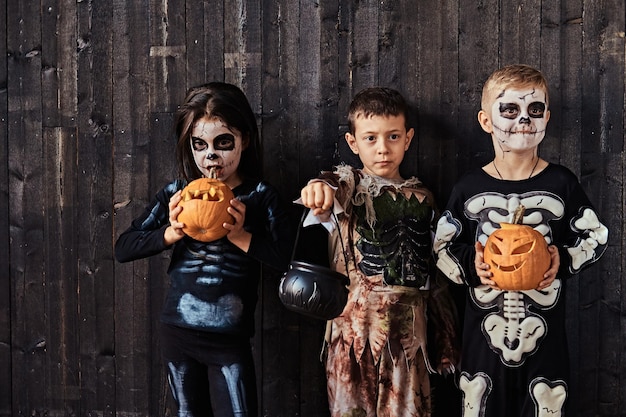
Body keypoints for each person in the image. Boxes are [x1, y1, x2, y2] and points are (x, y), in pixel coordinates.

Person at [433, 64, 609, 417]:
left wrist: (564, 259)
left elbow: (597, 235)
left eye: (535, 110)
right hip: (483, 336)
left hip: (545, 337)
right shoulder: (469, 188)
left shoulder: (561, 183)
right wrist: (472, 263)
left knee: (547, 405)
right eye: (510, 110)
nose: (524, 120)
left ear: (547, 118)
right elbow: (441, 246)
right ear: (486, 121)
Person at [115, 82, 295, 417]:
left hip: (229, 339)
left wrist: (241, 236)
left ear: (244, 140)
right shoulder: (178, 193)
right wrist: (171, 232)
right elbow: (124, 247)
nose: (210, 156)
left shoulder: (259, 196)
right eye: (200, 145)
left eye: (222, 143)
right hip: (178, 333)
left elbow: (288, 259)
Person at [299, 87, 459, 417]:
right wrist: (318, 188)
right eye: (370, 138)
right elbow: (329, 186)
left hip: (408, 340)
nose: (383, 148)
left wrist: (446, 339)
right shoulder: (349, 186)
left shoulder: (424, 199)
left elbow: (437, 275)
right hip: (351, 335)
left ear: (408, 138)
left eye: (393, 136)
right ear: (353, 142)